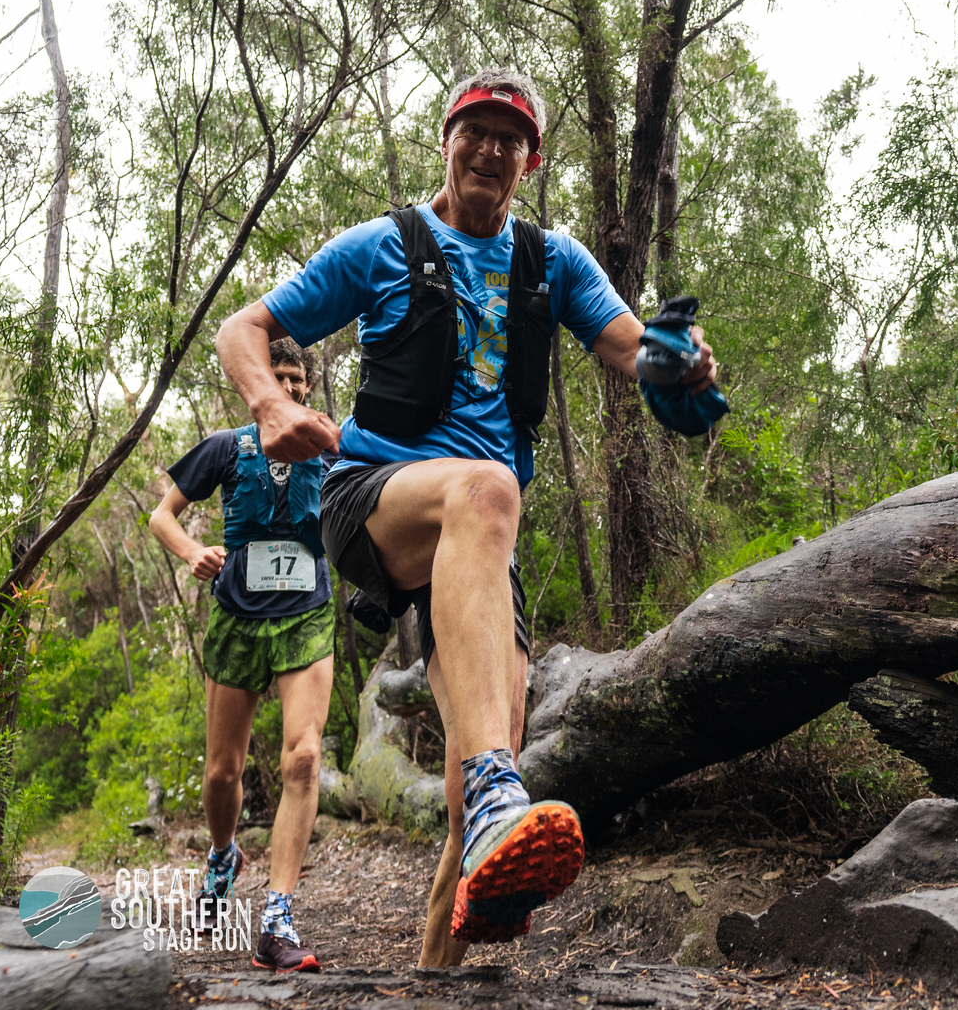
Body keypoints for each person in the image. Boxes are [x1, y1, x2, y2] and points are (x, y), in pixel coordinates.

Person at [215, 68, 719, 956]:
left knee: (486, 787)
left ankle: (441, 969)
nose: (489, 149)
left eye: (509, 138)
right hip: (374, 499)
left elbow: (631, 345)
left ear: (530, 160)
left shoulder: (551, 262)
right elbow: (242, 328)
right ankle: (492, 789)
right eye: (474, 131)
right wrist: (271, 406)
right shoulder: (381, 245)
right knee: (487, 484)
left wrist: (676, 366)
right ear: (446, 140)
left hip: (479, 541)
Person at [149, 339, 336, 974]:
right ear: (256, 383)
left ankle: (277, 917)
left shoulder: (330, 448)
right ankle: (224, 853)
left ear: (309, 389)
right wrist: (190, 552)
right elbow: (162, 515)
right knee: (221, 774)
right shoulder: (227, 447)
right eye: (277, 376)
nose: (289, 388)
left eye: (299, 379)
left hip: (306, 618)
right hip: (236, 620)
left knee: (304, 756)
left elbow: (366, 515)